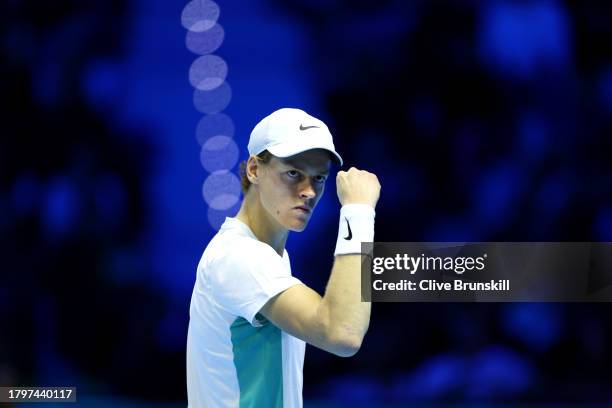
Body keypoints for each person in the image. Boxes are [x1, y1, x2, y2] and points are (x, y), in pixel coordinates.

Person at [186, 108, 381, 407]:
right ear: (254, 169)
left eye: (318, 178)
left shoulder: (265, 254)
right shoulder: (240, 257)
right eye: (293, 174)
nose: (308, 192)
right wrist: (358, 211)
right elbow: (343, 332)